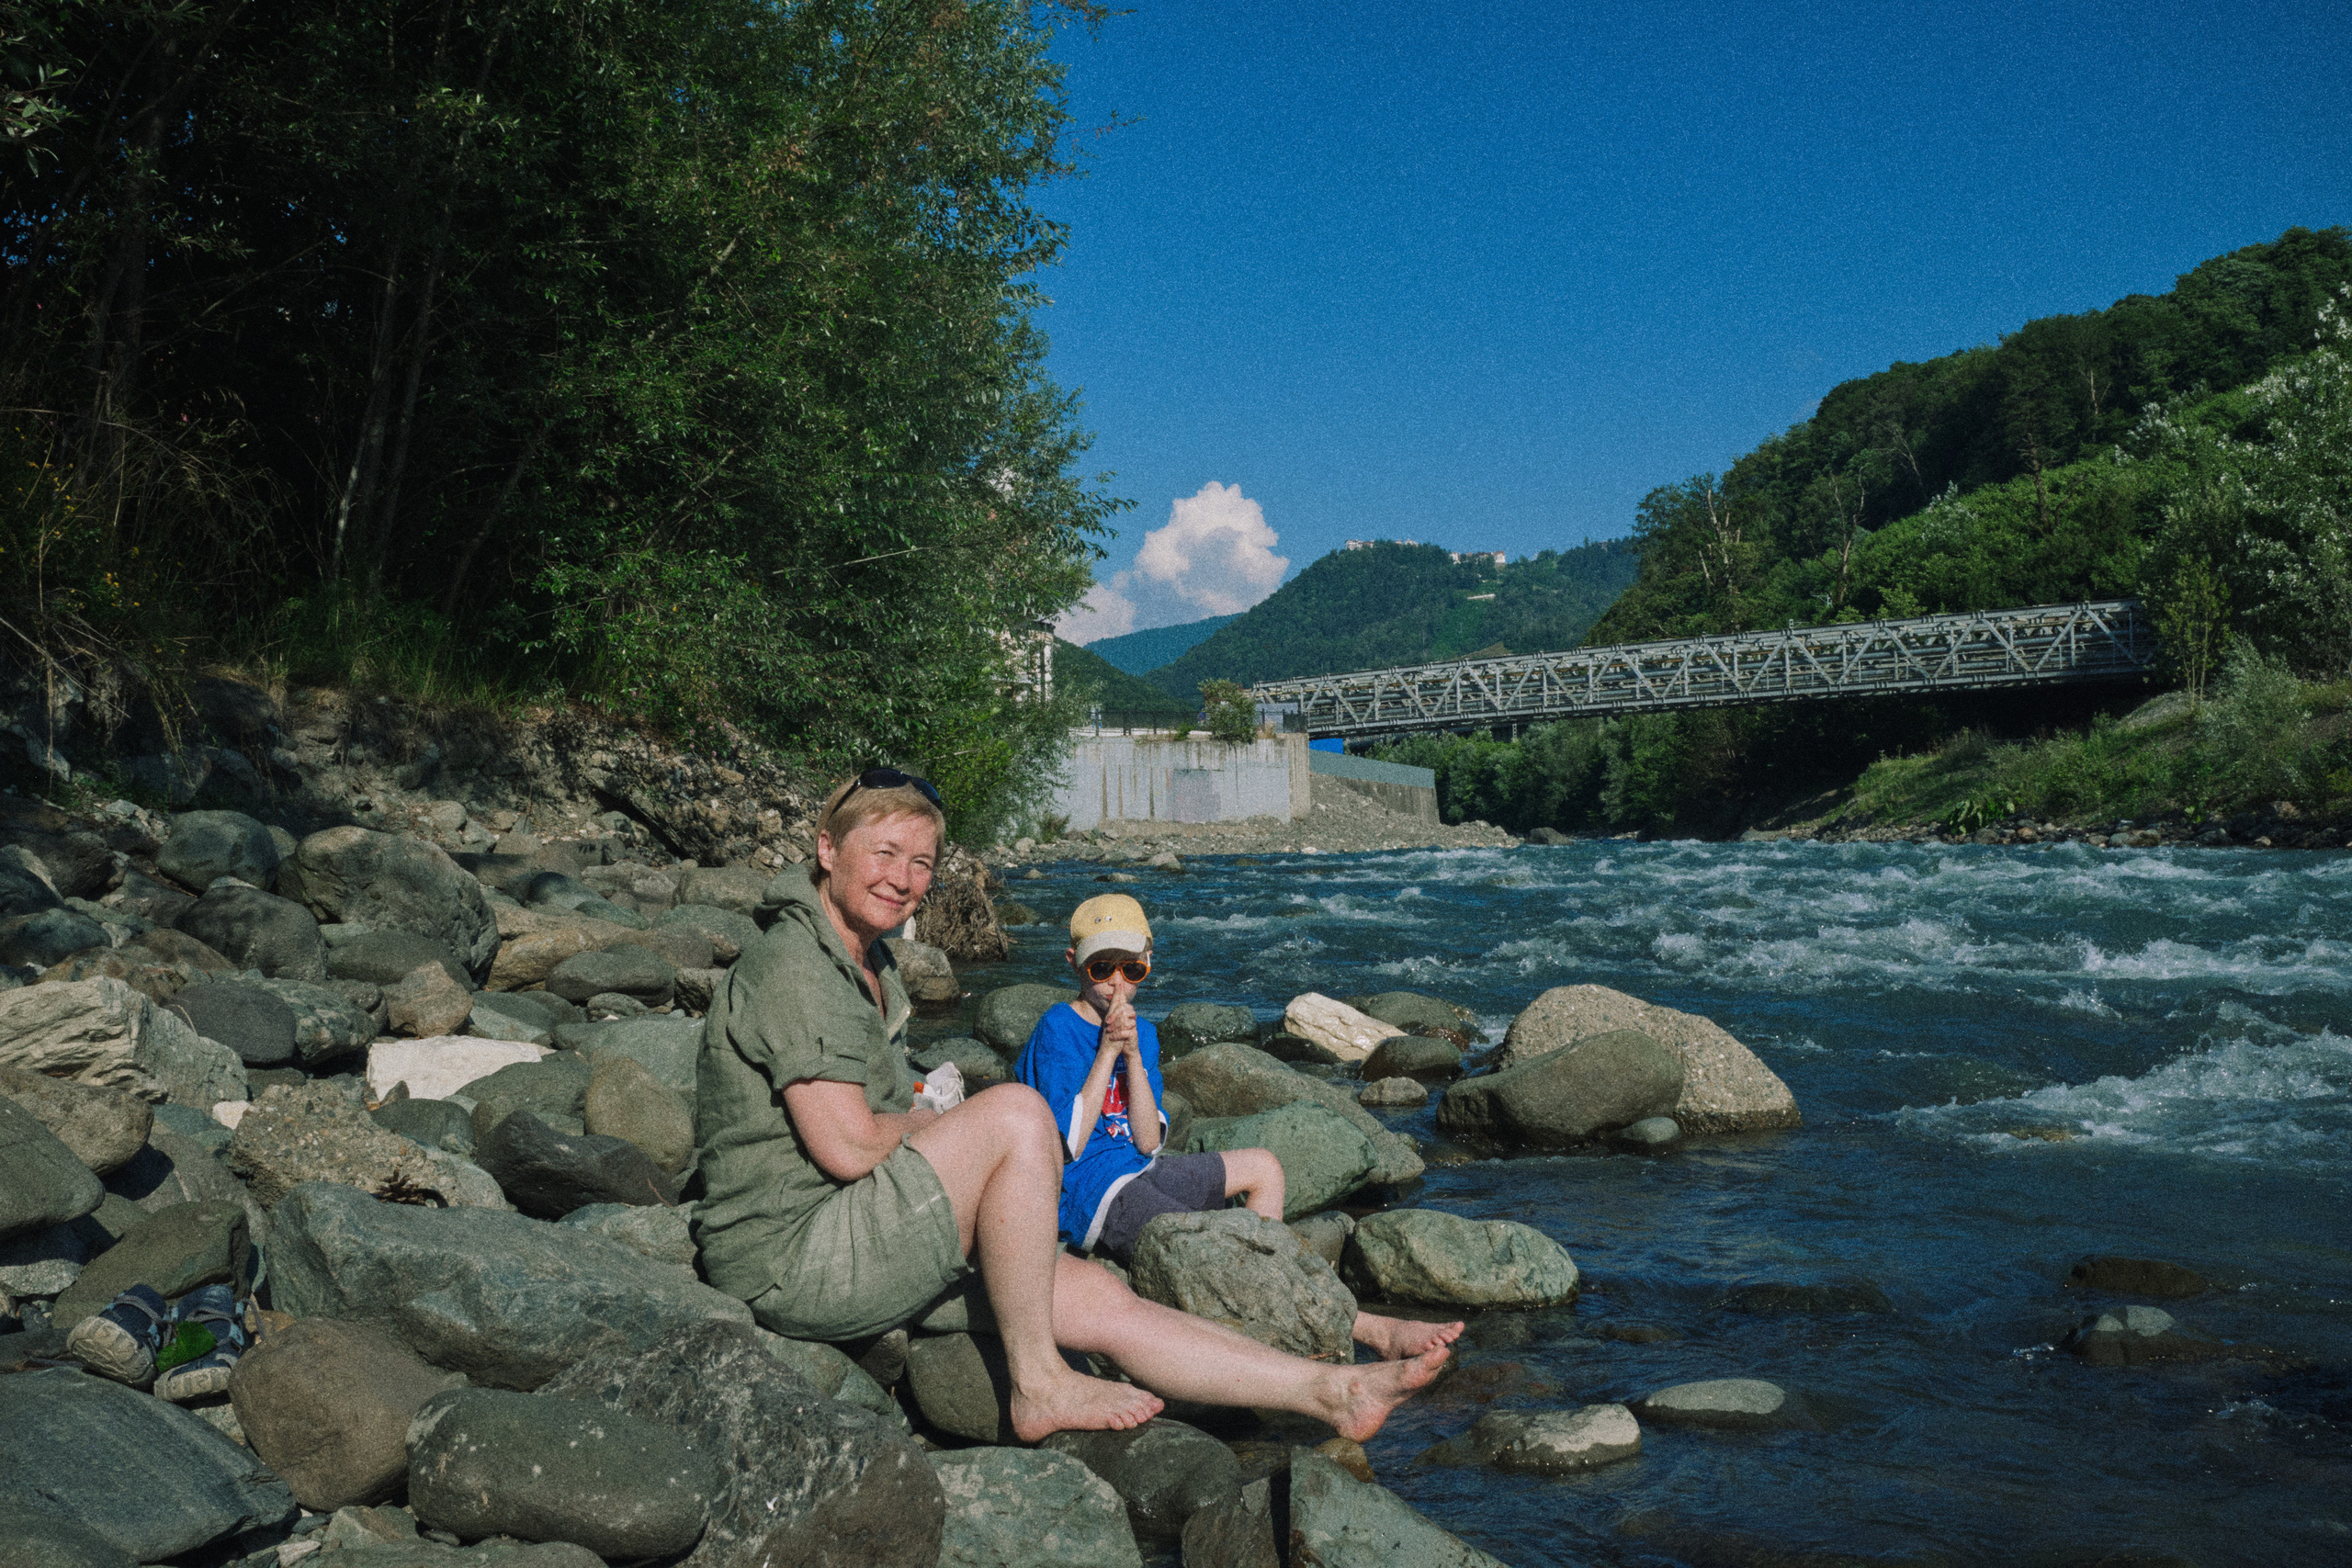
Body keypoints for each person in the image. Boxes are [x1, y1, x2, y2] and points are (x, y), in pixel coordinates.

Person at [689, 769, 1449, 1442]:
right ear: (827, 849)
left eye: (921, 862)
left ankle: (1332, 1391)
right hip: (795, 1255)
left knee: (1102, 1297)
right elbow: (849, 1146)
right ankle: (1040, 1383)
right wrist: (941, 1124)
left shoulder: (863, 958)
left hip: (860, 1225)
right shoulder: (796, 965)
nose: (904, 878)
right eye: (885, 852)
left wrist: (937, 1122)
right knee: (1019, 1111)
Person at [1014, 895, 1464, 1363]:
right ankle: (1370, 1329)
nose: (1116, 983)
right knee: (1213, 1244)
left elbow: (1147, 1142)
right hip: (1090, 1192)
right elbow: (1067, 1144)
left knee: (1264, 1167)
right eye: (1101, 968)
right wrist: (1108, 1051)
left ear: (1149, 962)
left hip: (1138, 1169)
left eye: (1131, 969)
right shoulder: (1058, 1028)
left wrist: (1130, 1054)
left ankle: (1267, 1277)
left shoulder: (1143, 1034)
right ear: (1074, 963)